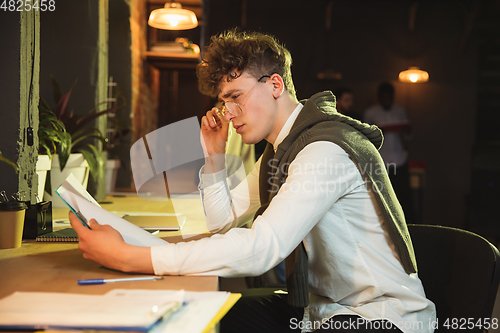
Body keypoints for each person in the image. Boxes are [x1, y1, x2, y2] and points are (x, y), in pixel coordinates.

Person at [69, 30, 435, 332]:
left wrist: (135, 258)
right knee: (202, 317)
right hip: (321, 311)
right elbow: (223, 223)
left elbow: (264, 247)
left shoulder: (324, 149)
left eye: (236, 98)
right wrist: (213, 158)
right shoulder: (280, 152)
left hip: (378, 318)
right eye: (224, 103)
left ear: (275, 84)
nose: (229, 113)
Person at [363, 82, 415, 224]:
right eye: (384, 97)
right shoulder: (371, 113)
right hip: (381, 160)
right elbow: (364, 139)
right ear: (379, 97)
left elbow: (408, 137)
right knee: (380, 196)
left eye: (389, 97)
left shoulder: (400, 111)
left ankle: (408, 225)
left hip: (399, 159)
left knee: (404, 197)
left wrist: (407, 131)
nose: (387, 100)